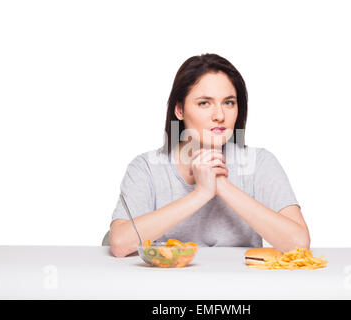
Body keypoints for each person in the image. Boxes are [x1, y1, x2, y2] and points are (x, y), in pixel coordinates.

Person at [109, 53, 310, 257]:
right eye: (204, 103)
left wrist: (220, 184)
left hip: (242, 285)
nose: (220, 116)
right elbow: (120, 244)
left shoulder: (259, 162)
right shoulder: (147, 167)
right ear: (179, 110)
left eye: (229, 103)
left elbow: (298, 244)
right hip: (169, 285)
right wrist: (201, 193)